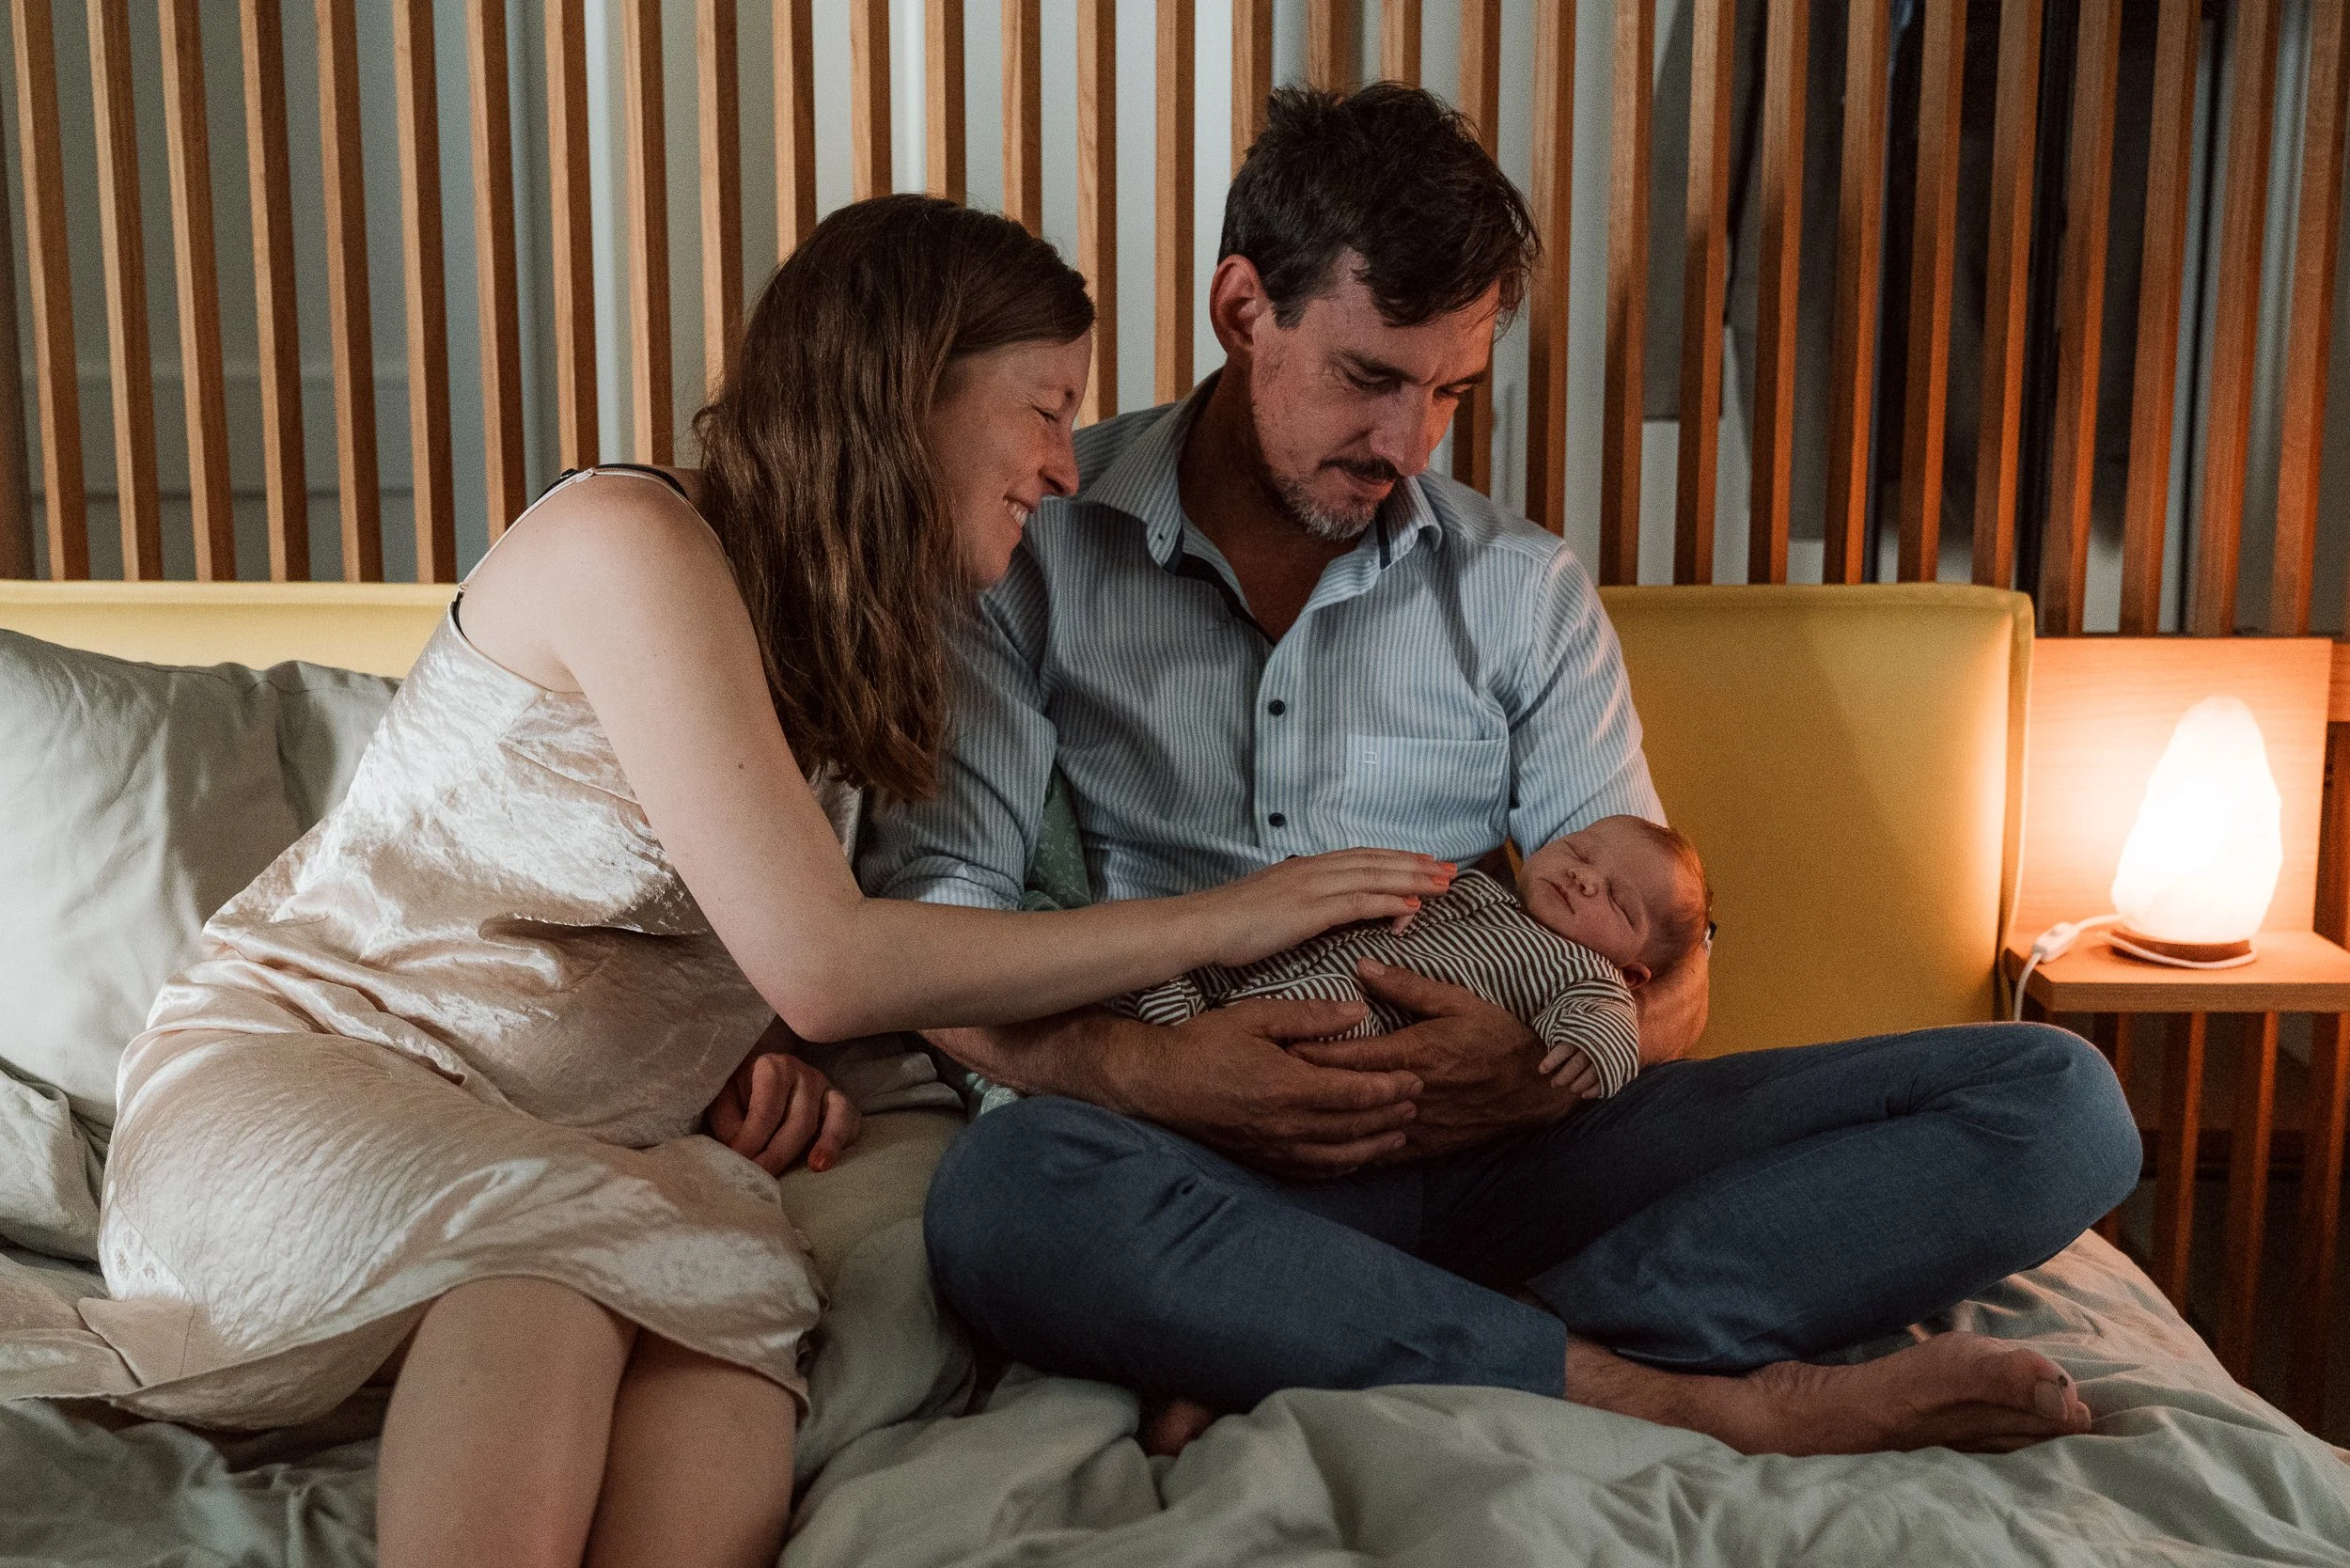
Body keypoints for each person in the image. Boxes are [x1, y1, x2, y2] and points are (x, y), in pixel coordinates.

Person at [81, 196, 1448, 1568]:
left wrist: (769, 1049)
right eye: (1045, 407)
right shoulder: (629, 541)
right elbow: (829, 954)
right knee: (555, 1260)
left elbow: (769, 957)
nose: (1063, 467)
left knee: (732, 1289)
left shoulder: (858, 652)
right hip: (307, 1082)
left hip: (582, 1147)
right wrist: (1231, 916)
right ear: (909, 389)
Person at [861, 86, 2142, 1459]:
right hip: (1210, 1159)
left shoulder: (1522, 589)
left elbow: (1670, 965)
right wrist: (1157, 1077)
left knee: (2059, 1104)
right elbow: (938, 948)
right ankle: (1678, 1386)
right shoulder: (1030, 548)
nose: (1407, 445)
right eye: (1370, 377)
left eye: (1450, 393)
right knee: (1007, 1196)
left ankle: (1431, 1333)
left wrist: (1539, 1077)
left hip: (1529, 1153)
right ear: (1245, 309)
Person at [1117, 815, 1713, 1099]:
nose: (1585, 879)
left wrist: (1591, 1053)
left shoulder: (1588, 973)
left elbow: (1609, 1022)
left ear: (1635, 972)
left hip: (1370, 1010)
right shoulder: (1478, 887)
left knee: (1318, 1018)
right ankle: (1158, 1003)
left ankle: (1193, 1029)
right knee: (1205, 960)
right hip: (1329, 948)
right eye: (1581, 851)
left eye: (1617, 899)